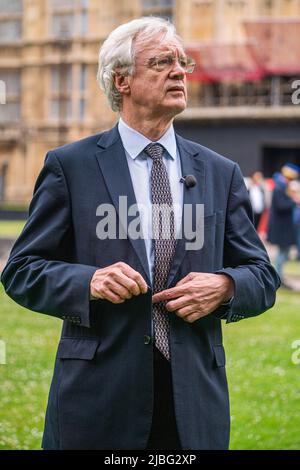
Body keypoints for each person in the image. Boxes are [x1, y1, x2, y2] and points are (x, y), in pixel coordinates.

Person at [1, 17, 280, 450]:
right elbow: (21, 271)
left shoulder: (220, 173)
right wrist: (87, 281)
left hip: (192, 401)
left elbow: (262, 275)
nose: (180, 71)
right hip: (98, 399)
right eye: (162, 61)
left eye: (182, 61)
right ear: (122, 80)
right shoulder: (69, 167)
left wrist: (225, 286)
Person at [267, 163, 299, 287]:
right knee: (281, 254)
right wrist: (294, 201)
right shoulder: (279, 188)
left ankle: (279, 277)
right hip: (281, 228)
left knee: (284, 253)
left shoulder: (282, 186)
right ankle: (278, 278)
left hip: (284, 228)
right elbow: (281, 206)